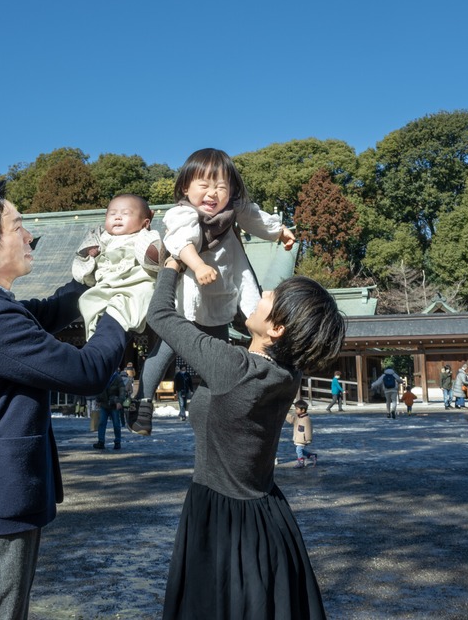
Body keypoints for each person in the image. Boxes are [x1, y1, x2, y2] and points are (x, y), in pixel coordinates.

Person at [0, 178, 130, 620]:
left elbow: (48, 312)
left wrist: (89, 278)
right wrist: (120, 311)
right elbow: (86, 372)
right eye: (18, 226)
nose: (29, 234)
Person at [148, 256, 345, 620]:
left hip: (220, 517)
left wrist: (172, 266)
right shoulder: (288, 373)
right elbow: (246, 342)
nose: (265, 291)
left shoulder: (233, 368)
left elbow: (160, 316)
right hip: (266, 513)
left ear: (279, 330)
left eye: (274, 296)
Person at [130, 148, 296, 435]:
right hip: (185, 303)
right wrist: (197, 265)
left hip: (219, 303)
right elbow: (181, 242)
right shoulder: (182, 213)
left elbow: (255, 217)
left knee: (218, 361)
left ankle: (216, 410)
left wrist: (279, 231)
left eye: (221, 186)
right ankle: (142, 401)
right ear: (186, 187)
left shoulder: (233, 211)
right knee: (163, 353)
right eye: (204, 185)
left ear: (231, 190)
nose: (213, 193)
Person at [72, 194, 165, 339]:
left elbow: (158, 256)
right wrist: (90, 253)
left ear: (145, 223)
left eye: (125, 214)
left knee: (144, 294)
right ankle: (95, 333)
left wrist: (153, 252)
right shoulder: (102, 237)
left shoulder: (145, 235)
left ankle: (121, 323)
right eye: (112, 214)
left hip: (135, 283)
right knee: (87, 300)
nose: (117, 217)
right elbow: (83, 259)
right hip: (107, 284)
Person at [94, 365, 126, 450]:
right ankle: (101, 442)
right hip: (104, 404)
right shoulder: (103, 377)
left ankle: (117, 442)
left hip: (114, 405)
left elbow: (122, 391)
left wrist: (120, 401)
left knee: (116, 424)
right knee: (101, 423)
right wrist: (98, 400)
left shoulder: (118, 378)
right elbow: (99, 389)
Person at [286, 400, 316, 468]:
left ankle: (301, 462)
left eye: (297, 409)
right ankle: (311, 456)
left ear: (302, 410)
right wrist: (286, 414)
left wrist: (308, 439)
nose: (295, 410)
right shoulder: (298, 417)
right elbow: (292, 420)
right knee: (300, 450)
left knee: (298, 449)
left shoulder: (306, 419)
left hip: (303, 438)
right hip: (298, 437)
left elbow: (308, 429)